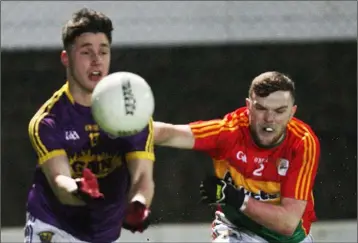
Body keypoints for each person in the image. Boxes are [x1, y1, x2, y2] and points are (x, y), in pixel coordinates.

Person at [25, 8, 155, 243]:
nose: (96, 60)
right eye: (86, 52)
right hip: (53, 226)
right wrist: (78, 188)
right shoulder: (48, 120)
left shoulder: (133, 113)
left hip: (105, 233)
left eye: (103, 51)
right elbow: (59, 182)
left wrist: (139, 204)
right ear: (66, 58)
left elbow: (142, 176)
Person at [154, 71, 320, 243]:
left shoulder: (302, 142)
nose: (269, 119)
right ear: (248, 106)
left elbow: (287, 224)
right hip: (237, 230)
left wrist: (235, 197)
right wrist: (130, 128)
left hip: (291, 239)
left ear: (292, 112)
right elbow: (170, 134)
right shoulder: (229, 132)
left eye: (279, 111)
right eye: (261, 108)